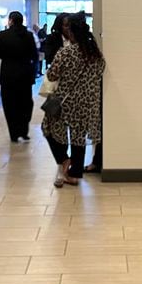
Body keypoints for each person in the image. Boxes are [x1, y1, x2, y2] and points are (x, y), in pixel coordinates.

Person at [42, 12, 105, 187]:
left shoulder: (66, 52)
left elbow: (52, 74)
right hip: (88, 103)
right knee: (78, 138)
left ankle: (63, 160)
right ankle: (74, 174)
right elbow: (101, 71)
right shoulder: (95, 53)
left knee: (47, 128)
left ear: (72, 33)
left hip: (65, 102)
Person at [0, 12, 38, 143]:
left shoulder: (3, 35)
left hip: (8, 74)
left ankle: (13, 133)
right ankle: (24, 131)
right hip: (25, 74)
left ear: (11, 21)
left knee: (9, 104)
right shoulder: (29, 35)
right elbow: (34, 55)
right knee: (25, 103)